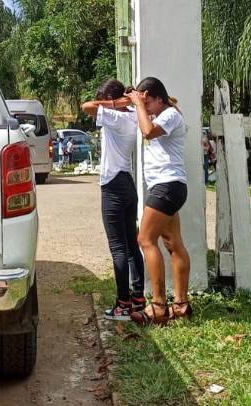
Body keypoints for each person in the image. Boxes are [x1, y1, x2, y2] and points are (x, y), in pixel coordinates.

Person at [128, 76, 190, 325]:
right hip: (168, 186)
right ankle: (182, 305)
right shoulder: (160, 112)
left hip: (167, 185)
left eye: (149, 102)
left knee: (145, 239)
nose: (146, 107)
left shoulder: (170, 115)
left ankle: (158, 306)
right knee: (173, 243)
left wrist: (139, 105)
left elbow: (148, 132)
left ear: (160, 99)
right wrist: (134, 100)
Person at [81, 79, 145, 321]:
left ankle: (123, 304)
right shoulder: (133, 116)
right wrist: (126, 101)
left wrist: (114, 103)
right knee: (131, 246)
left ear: (112, 99)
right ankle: (138, 298)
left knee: (118, 247)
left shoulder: (116, 116)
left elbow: (87, 106)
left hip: (113, 185)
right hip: (127, 182)